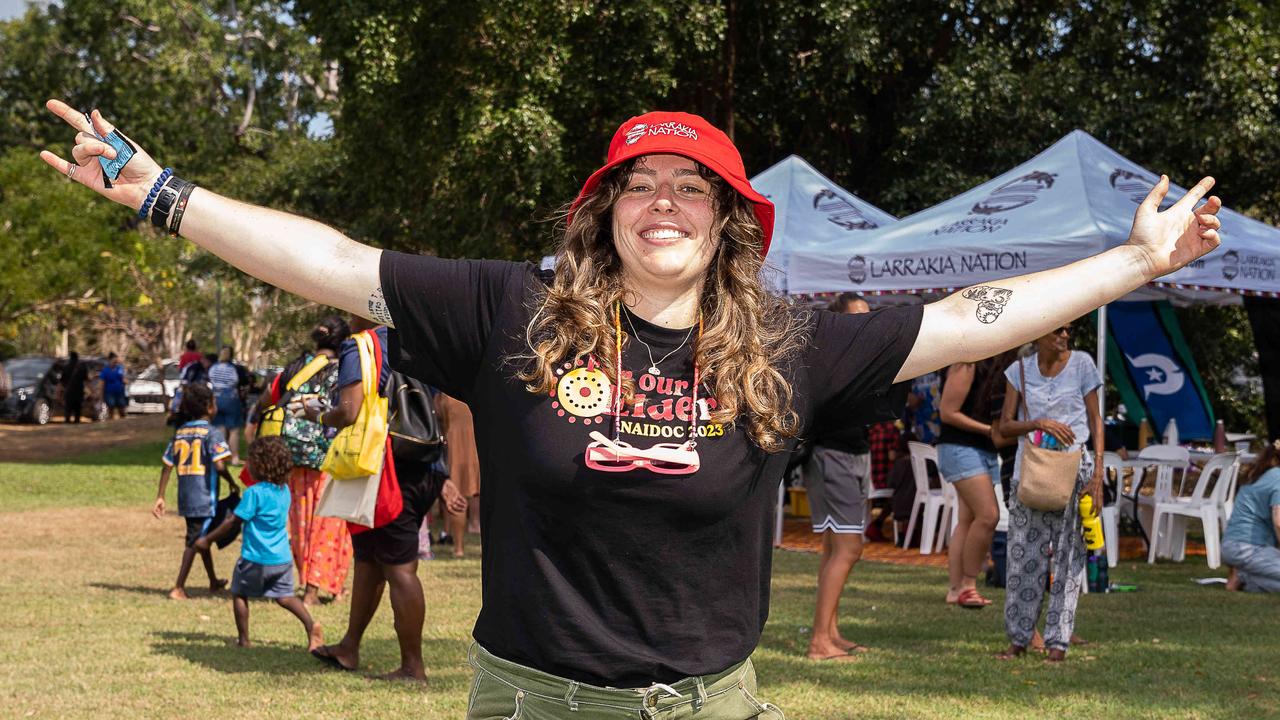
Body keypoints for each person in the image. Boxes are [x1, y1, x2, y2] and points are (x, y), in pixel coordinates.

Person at [45, 102, 1221, 717]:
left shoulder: (792, 340)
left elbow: (975, 317)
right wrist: (164, 196)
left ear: (727, 219)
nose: (662, 201)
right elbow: (332, 260)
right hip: (530, 704)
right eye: (637, 184)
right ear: (601, 213)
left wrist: (1130, 265)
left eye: (689, 186)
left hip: (709, 705)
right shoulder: (511, 311)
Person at [306, 317, 467, 682]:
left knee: (398, 567)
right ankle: (349, 647)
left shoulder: (359, 345)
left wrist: (318, 414)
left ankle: (413, 667)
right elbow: (436, 406)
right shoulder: (422, 337)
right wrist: (443, 477)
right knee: (369, 560)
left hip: (387, 470)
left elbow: (348, 411)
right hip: (423, 464)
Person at [995, 324, 1104, 662]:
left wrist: (1099, 471)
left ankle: (1058, 642)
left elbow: (1096, 420)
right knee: (1022, 555)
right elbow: (1005, 426)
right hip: (1033, 469)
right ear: (1039, 333)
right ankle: (1019, 639)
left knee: (1069, 556)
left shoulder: (1083, 364)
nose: (1065, 336)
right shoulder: (1020, 371)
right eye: (1057, 330)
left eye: (1068, 330)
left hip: (1075, 468)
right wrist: (1039, 423)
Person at [195, 436, 325, 649]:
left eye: (251, 462)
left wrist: (207, 539)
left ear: (261, 467)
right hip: (281, 559)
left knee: (239, 592)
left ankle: (244, 640)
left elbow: (233, 522)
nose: (248, 466)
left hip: (255, 558)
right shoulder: (284, 491)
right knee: (285, 598)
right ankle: (311, 626)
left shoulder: (254, 493)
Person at [803, 292, 875, 660]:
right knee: (849, 548)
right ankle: (819, 642)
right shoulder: (831, 357)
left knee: (836, 547)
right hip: (834, 456)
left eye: (867, 316)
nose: (863, 323)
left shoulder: (855, 357)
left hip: (851, 454)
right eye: (855, 317)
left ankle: (830, 632)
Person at [276, 316, 353, 606]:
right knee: (327, 522)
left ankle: (307, 580)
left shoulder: (298, 366)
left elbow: (273, 400)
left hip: (294, 453)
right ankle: (316, 587)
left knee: (301, 520)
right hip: (327, 456)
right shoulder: (344, 369)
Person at [936, 351, 1015, 608]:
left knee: (967, 520)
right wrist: (991, 431)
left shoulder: (998, 363)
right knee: (988, 515)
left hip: (981, 450)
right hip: (961, 447)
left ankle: (955, 588)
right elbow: (948, 412)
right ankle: (968, 585)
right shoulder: (967, 362)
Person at [152, 383, 237, 600]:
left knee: (199, 536)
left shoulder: (181, 433)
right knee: (195, 541)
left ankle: (212, 581)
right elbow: (219, 466)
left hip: (186, 497)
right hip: (204, 497)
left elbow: (167, 465)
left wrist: (160, 496)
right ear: (210, 407)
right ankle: (178, 587)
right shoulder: (212, 433)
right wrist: (231, 481)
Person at [1224, 440, 1280, 593]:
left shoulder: (1258, 474)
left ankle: (1245, 578)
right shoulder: (1278, 478)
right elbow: (1279, 521)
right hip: (1251, 548)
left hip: (1234, 546)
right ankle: (1243, 575)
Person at [436, 391, 481, 555]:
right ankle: (475, 525)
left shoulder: (446, 394)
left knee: (456, 493)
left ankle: (458, 547)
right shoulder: (477, 389)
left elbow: (440, 417)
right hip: (476, 445)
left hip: (455, 447)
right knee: (476, 488)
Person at [209, 346, 245, 465]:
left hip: (216, 399)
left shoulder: (214, 368)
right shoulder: (232, 369)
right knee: (234, 430)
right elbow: (235, 381)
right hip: (231, 399)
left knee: (220, 428)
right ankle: (234, 458)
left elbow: (211, 379)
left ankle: (221, 456)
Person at [61, 350, 88, 423]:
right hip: (79, 391)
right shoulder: (82, 367)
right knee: (78, 408)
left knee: (68, 408)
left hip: (69, 391)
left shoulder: (65, 366)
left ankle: (67, 420)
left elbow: (62, 380)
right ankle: (77, 420)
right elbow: (86, 379)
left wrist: (61, 390)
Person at [98, 352, 128, 420]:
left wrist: (125, 381)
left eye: (116, 361)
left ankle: (123, 422)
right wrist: (101, 397)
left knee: (122, 408)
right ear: (109, 360)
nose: (115, 363)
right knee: (111, 408)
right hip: (109, 393)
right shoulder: (105, 370)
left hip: (119, 392)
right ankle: (111, 421)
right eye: (114, 361)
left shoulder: (119, 368)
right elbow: (102, 384)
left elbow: (123, 379)